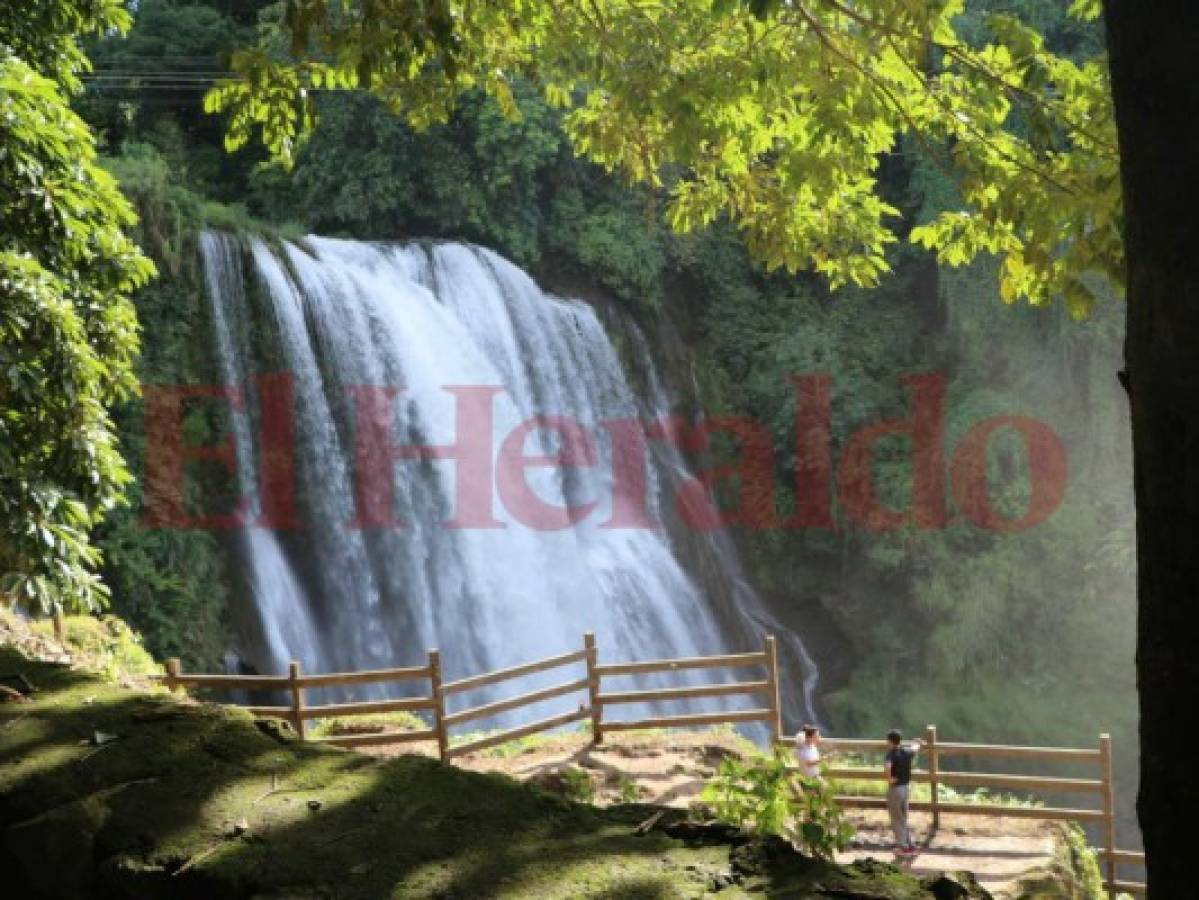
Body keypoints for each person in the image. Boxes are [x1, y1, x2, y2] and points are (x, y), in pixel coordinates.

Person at [884, 729, 921, 856]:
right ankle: (910, 845)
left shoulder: (891, 754)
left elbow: (888, 766)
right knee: (903, 817)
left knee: (896, 817)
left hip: (895, 788)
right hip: (906, 787)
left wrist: (889, 778)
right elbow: (915, 748)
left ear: (890, 741)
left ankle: (903, 847)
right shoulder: (907, 751)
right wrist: (917, 742)